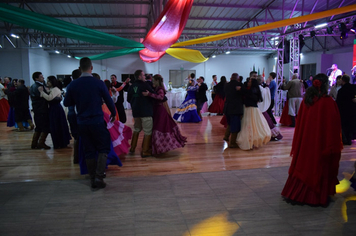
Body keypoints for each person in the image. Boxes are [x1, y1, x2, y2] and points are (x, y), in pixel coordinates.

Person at [281, 73, 343, 206]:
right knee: (319, 166)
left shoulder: (307, 102)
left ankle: (298, 193)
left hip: (305, 143)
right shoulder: (328, 102)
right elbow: (333, 126)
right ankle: (317, 195)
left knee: (304, 164)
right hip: (321, 143)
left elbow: (300, 125)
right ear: (325, 84)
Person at [64, 57, 116, 189]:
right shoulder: (98, 83)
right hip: (97, 121)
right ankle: (99, 176)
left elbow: (67, 103)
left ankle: (92, 178)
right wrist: (113, 113)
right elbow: (109, 100)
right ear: (91, 68)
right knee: (103, 148)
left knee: (89, 150)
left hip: (82, 122)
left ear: (79, 69)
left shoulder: (73, 85)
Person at [142, 74, 187, 155]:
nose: (152, 81)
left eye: (154, 80)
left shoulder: (160, 89)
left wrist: (149, 94)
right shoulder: (156, 88)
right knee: (157, 127)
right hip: (156, 110)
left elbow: (160, 97)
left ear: (157, 81)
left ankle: (159, 147)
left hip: (159, 111)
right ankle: (155, 147)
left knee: (160, 127)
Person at [127, 70, 155, 157]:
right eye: (143, 75)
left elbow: (128, 99)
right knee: (147, 131)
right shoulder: (145, 85)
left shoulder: (131, 86)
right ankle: (145, 151)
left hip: (136, 112)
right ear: (139, 76)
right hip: (146, 111)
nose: (145, 77)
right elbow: (153, 94)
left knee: (137, 129)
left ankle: (132, 148)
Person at [236, 79, 271, 150]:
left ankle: (251, 141)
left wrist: (241, 90)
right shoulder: (253, 90)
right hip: (252, 109)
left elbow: (249, 95)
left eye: (249, 82)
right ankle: (252, 141)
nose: (248, 83)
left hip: (251, 109)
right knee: (253, 125)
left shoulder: (253, 90)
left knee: (250, 125)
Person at [39, 76, 71, 149]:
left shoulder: (55, 89)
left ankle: (60, 142)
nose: (47, 83)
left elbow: (49, 98)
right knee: (55, 126)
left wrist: (42, 92)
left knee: (57, 126)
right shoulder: (52, 89)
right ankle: (59, 142)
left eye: (49, 81)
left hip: (56, 109)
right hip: (54, 109)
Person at [30, 72, 51, 149]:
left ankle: (34, 143)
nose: (43, 78)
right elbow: (45, 97)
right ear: (36, 78)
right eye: (41, 77)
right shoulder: (39, 87)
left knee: (38, 127)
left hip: (37, 109)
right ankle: (41, 142)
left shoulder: (33, 86)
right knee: (45, 126)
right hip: (42, 109)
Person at [222, 73, 244, 148]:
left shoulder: (226, 85)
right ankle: (232, 142)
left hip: (227, 107)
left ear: (231, 77)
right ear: (238, 78)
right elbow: (243, 94)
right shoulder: (239, 85)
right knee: (235, 125)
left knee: (229, 123)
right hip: (236, 108)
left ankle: (226, 136)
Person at [336, 74, 356, 145]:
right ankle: (350, 138)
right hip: (352, 110)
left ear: (343, 80)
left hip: (343, 110)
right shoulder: (353, 88)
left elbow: (338, 102)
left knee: (344, 126)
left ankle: (346, 139)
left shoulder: (341, 90)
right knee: (351, 124)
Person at [67, 69, 81, 164]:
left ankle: (77, 158)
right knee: (78, 136)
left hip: (71, 114)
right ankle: (78, 158)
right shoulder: (76, 86)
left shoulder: (70, 86)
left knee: (76, 137)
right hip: (76, 114)